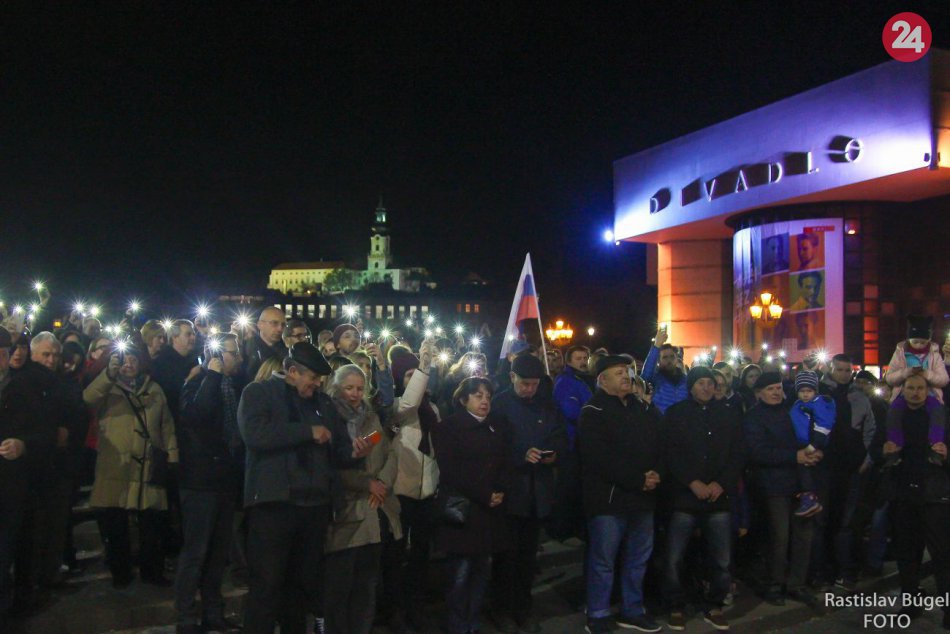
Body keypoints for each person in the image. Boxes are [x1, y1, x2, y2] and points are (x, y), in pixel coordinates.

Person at [237, 342, 372, 633]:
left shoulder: (322, 404)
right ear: (292, 371)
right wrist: (306, 432)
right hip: (274, 506)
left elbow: (336, 449)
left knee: (300, 586)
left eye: (319, 379)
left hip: (314, 508)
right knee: (267, 585)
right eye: (311, 377)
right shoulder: (258, 393)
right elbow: (255, 434)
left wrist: (353, 453)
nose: (316, 384)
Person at [578, 355, 665, 634]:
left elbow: (662, 443)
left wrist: (656, 473)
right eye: (618, 373)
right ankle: (599, 613)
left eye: (627, 372)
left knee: (638, 558)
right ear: (602, 380)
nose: (626, 376)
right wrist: (638, 479)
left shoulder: (643, 408)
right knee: (604, 559)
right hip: (609, 498)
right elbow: (598, 458)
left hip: (643, 497)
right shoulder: (593, 411)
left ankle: (632, 609)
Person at [83, 342, 178, 588]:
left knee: (151, 525)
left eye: (134, 359)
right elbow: (87, 399)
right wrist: (108, 375)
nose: (129, 364)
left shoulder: (154, 390)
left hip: (147, 467)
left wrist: (172, 455)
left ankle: (152, 571)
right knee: (116, 525)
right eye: (124, 359)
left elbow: (166, 426)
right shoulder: (107, 388)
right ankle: (120, 572)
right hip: (116, 466)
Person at [662, 366, 745, 631]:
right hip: (685, 497)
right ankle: (676, 604)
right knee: (675, 556)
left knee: (721, 558)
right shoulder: (676, 414)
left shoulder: (730, 415)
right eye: (701, 383)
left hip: (718, 497)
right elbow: (670, 453)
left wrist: (721, 483)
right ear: (692, 387)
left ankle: (714, 604)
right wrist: (692, 482)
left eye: (711, 383)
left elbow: (738, 454)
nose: (707, 388)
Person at [490, 354, 568, 634]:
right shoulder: (499, 404)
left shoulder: (546, 404)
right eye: (525, 384)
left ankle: (523, 608)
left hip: (538, 494)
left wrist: (553, 454)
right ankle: (501, 609)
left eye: (534, 384)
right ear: (512, 378)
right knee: (506, 559)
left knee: (527, 559)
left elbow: (560, 435)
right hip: (511, 494)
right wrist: (520, 455)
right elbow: (492, 447)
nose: (529, 390)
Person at [324, 364, 402, 634]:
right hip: (347, 512)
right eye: (349, 388)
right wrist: (365, 483)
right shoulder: (330, 418)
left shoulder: (371, 418)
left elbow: (389, 452)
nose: (355, 394)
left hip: (376, 509)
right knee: (340, 587)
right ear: (337, 388)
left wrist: (382, 482)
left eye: (359, 388)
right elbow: (330, 465)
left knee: (366, 586)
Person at [174, 334, 244, 634]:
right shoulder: (197, 381)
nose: (237, 359)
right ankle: (186, 617)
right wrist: (211, 376)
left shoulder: (234, 386)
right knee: (196, 552)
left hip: (225, 479)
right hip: (200, 482)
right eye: (232, 353)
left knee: (218, 554)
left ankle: (213, 612)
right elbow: (196, 416)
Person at [431, 377, 512, 634]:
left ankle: (472, 622)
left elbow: (505, 461)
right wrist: (484, 493)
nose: (484, 401)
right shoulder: (449, 428)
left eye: (487, 395)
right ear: (464, 399)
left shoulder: (497, 427)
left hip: (489, 511)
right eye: (478, 395)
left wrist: (499, 490)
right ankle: (457, 625)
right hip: (465, 510)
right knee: (460, 574)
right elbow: (451, 470)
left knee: (482, 572)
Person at [873, 374, 950, 627]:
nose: (915, 392)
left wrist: (946, 453)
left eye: (920, 388)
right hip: (904, 493)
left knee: (941, 555)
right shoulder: (892, 415)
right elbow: (876, 449)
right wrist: (883, 452)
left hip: (934, 495)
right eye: (910, 388)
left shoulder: (941, 416)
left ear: (927, 390)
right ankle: (911, 604)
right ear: (902, 390)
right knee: (907, 554)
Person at [743, 371, 821, 608]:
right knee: (779, 537)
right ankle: (774, 583)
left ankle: (796, 584)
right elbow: (758, 452)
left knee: (803, 536)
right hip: (773, 485)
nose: (776, 392)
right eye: (770, 389)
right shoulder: (754, 417)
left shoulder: (792, 411)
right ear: (759, 393)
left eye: (778, 388)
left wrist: (811, 453)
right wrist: (795, 457)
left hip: (800, 483)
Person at [0, 332, 61, 617]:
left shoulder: (22, 387)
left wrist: (24, 445)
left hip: (15, 485)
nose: (5, 359)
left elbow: (47, 434)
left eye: (4, 352)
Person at [813, 355, 876, 592]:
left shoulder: (859, 397)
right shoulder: (820, 395)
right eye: (839, 369)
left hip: (851, 469)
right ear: (831, 369)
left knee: (845, 524)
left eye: (847, 370)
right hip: (825, 468)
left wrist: (867, 460)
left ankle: (842, 570)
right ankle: (820, 571)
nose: (843, 374)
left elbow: (870, 430)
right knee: (822, 522)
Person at [389, 341, 441, 631]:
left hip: (427, 491)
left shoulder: (431, 408)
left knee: (421, 555)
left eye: (416, 375)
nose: (415, 380)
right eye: (408, 375)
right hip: (401, 491)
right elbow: (409, 402)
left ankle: (416, 607)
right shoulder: (397, 406)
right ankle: (396, 609)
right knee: (398, 556)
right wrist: (423, 367)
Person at [789, 371, 835, 517]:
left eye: (809, 391)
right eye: (802, 391)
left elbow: (824, 424)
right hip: (800, 443)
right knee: (802, 469)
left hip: (811, 443)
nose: (805, 394)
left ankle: (809, 498)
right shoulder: (797, 404)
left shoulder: (819, 404)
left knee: (806, 469)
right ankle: (806, 496)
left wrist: (815, 444)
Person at [884, 315, 948, 404]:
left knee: (937, 414)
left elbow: (944, 380)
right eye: (915, 342)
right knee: (894, 413)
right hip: (903, 396)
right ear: (909, 340)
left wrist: (927, 374)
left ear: (928, 340)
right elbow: (890, 379)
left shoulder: (935, 356)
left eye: (922, 342)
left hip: (930, 396)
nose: (919, 345)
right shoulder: (899, 354)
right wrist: (906, 373)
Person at [151, 319, 199, 423]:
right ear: (174, 337)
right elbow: (170, 396)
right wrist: (190, 377)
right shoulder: (162, 363)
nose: (193, 337)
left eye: (193, 334)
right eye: (188, 334)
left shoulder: (193, 360)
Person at [552, 345, 592, 446]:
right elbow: (570, 411)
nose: (583, 362)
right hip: (573, 437)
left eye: (585, 358)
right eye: (578, 359)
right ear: (569, 362)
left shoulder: (587, 378)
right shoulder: (565, 381)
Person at [641, 328, 687, 414]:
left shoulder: (686, 380)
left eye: (672, 356)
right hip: (662, 423)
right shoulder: (656, 379)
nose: (669, 360)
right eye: (665, 357)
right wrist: (656, 346)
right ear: (658, 361)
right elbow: (645, 376)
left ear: (677, 358)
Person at [243, 307, 288, 381]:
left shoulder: (288, 352)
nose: (280, 328)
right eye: (274, 323)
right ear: (260, 325)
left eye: (283, 325)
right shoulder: (246, 349)